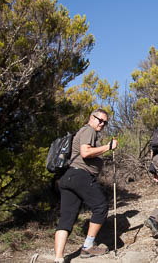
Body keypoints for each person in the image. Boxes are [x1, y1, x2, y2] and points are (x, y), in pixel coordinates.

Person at [54, 109, 118, 262]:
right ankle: (88, 246)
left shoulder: (84, 131)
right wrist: (108, 147)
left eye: (105, 122)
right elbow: (85, 152)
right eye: (99, 120)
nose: (102, 124)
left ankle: (58, 258)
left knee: (66, 219)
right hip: (81, 175)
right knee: (101, 206)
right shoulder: (89, 130)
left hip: (69, 177)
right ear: (91, 118)